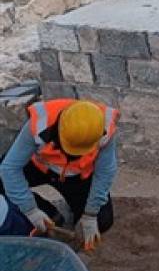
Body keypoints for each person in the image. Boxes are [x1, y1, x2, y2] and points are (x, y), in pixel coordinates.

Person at [0, 98, 119, 250]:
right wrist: (30, 209)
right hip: (39, 165)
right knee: (3, 181)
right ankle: (49, 215)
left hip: (78, 176)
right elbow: (10, 168)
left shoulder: (103, 130)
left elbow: (105, 173)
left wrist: (90, 214)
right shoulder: (40, 122)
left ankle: (68, 220)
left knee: (103, 220)